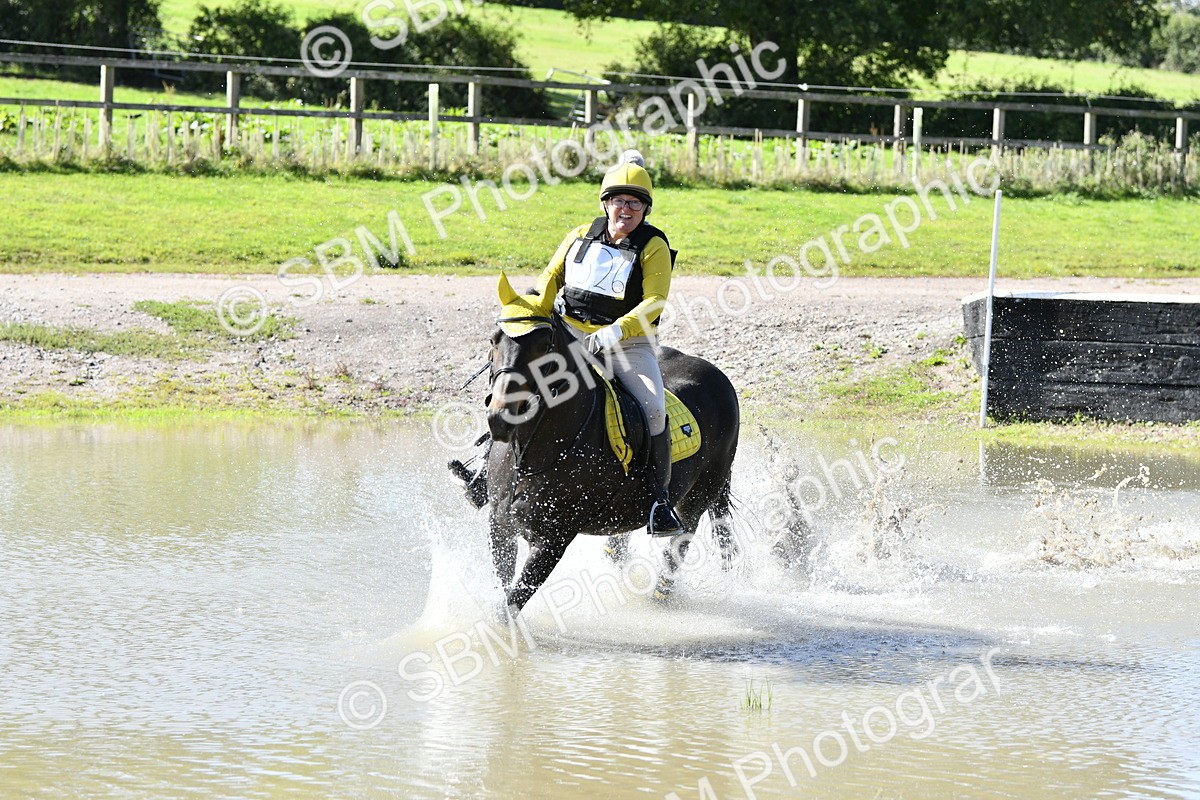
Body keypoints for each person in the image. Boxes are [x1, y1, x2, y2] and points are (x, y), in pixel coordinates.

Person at [452, 149, 684, 536]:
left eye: (635, 203)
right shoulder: (579, 236)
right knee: (520, 382)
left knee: (653, 408)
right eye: (619, 201)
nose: (626, 209)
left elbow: (655, 301)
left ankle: (658, 501)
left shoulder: (653, 245)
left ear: (645, 209)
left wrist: (616, 330)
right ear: (605, 203)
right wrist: (532, 312)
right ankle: (484, 470)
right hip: (570, 334)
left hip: (628, 344)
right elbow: (550, 280)